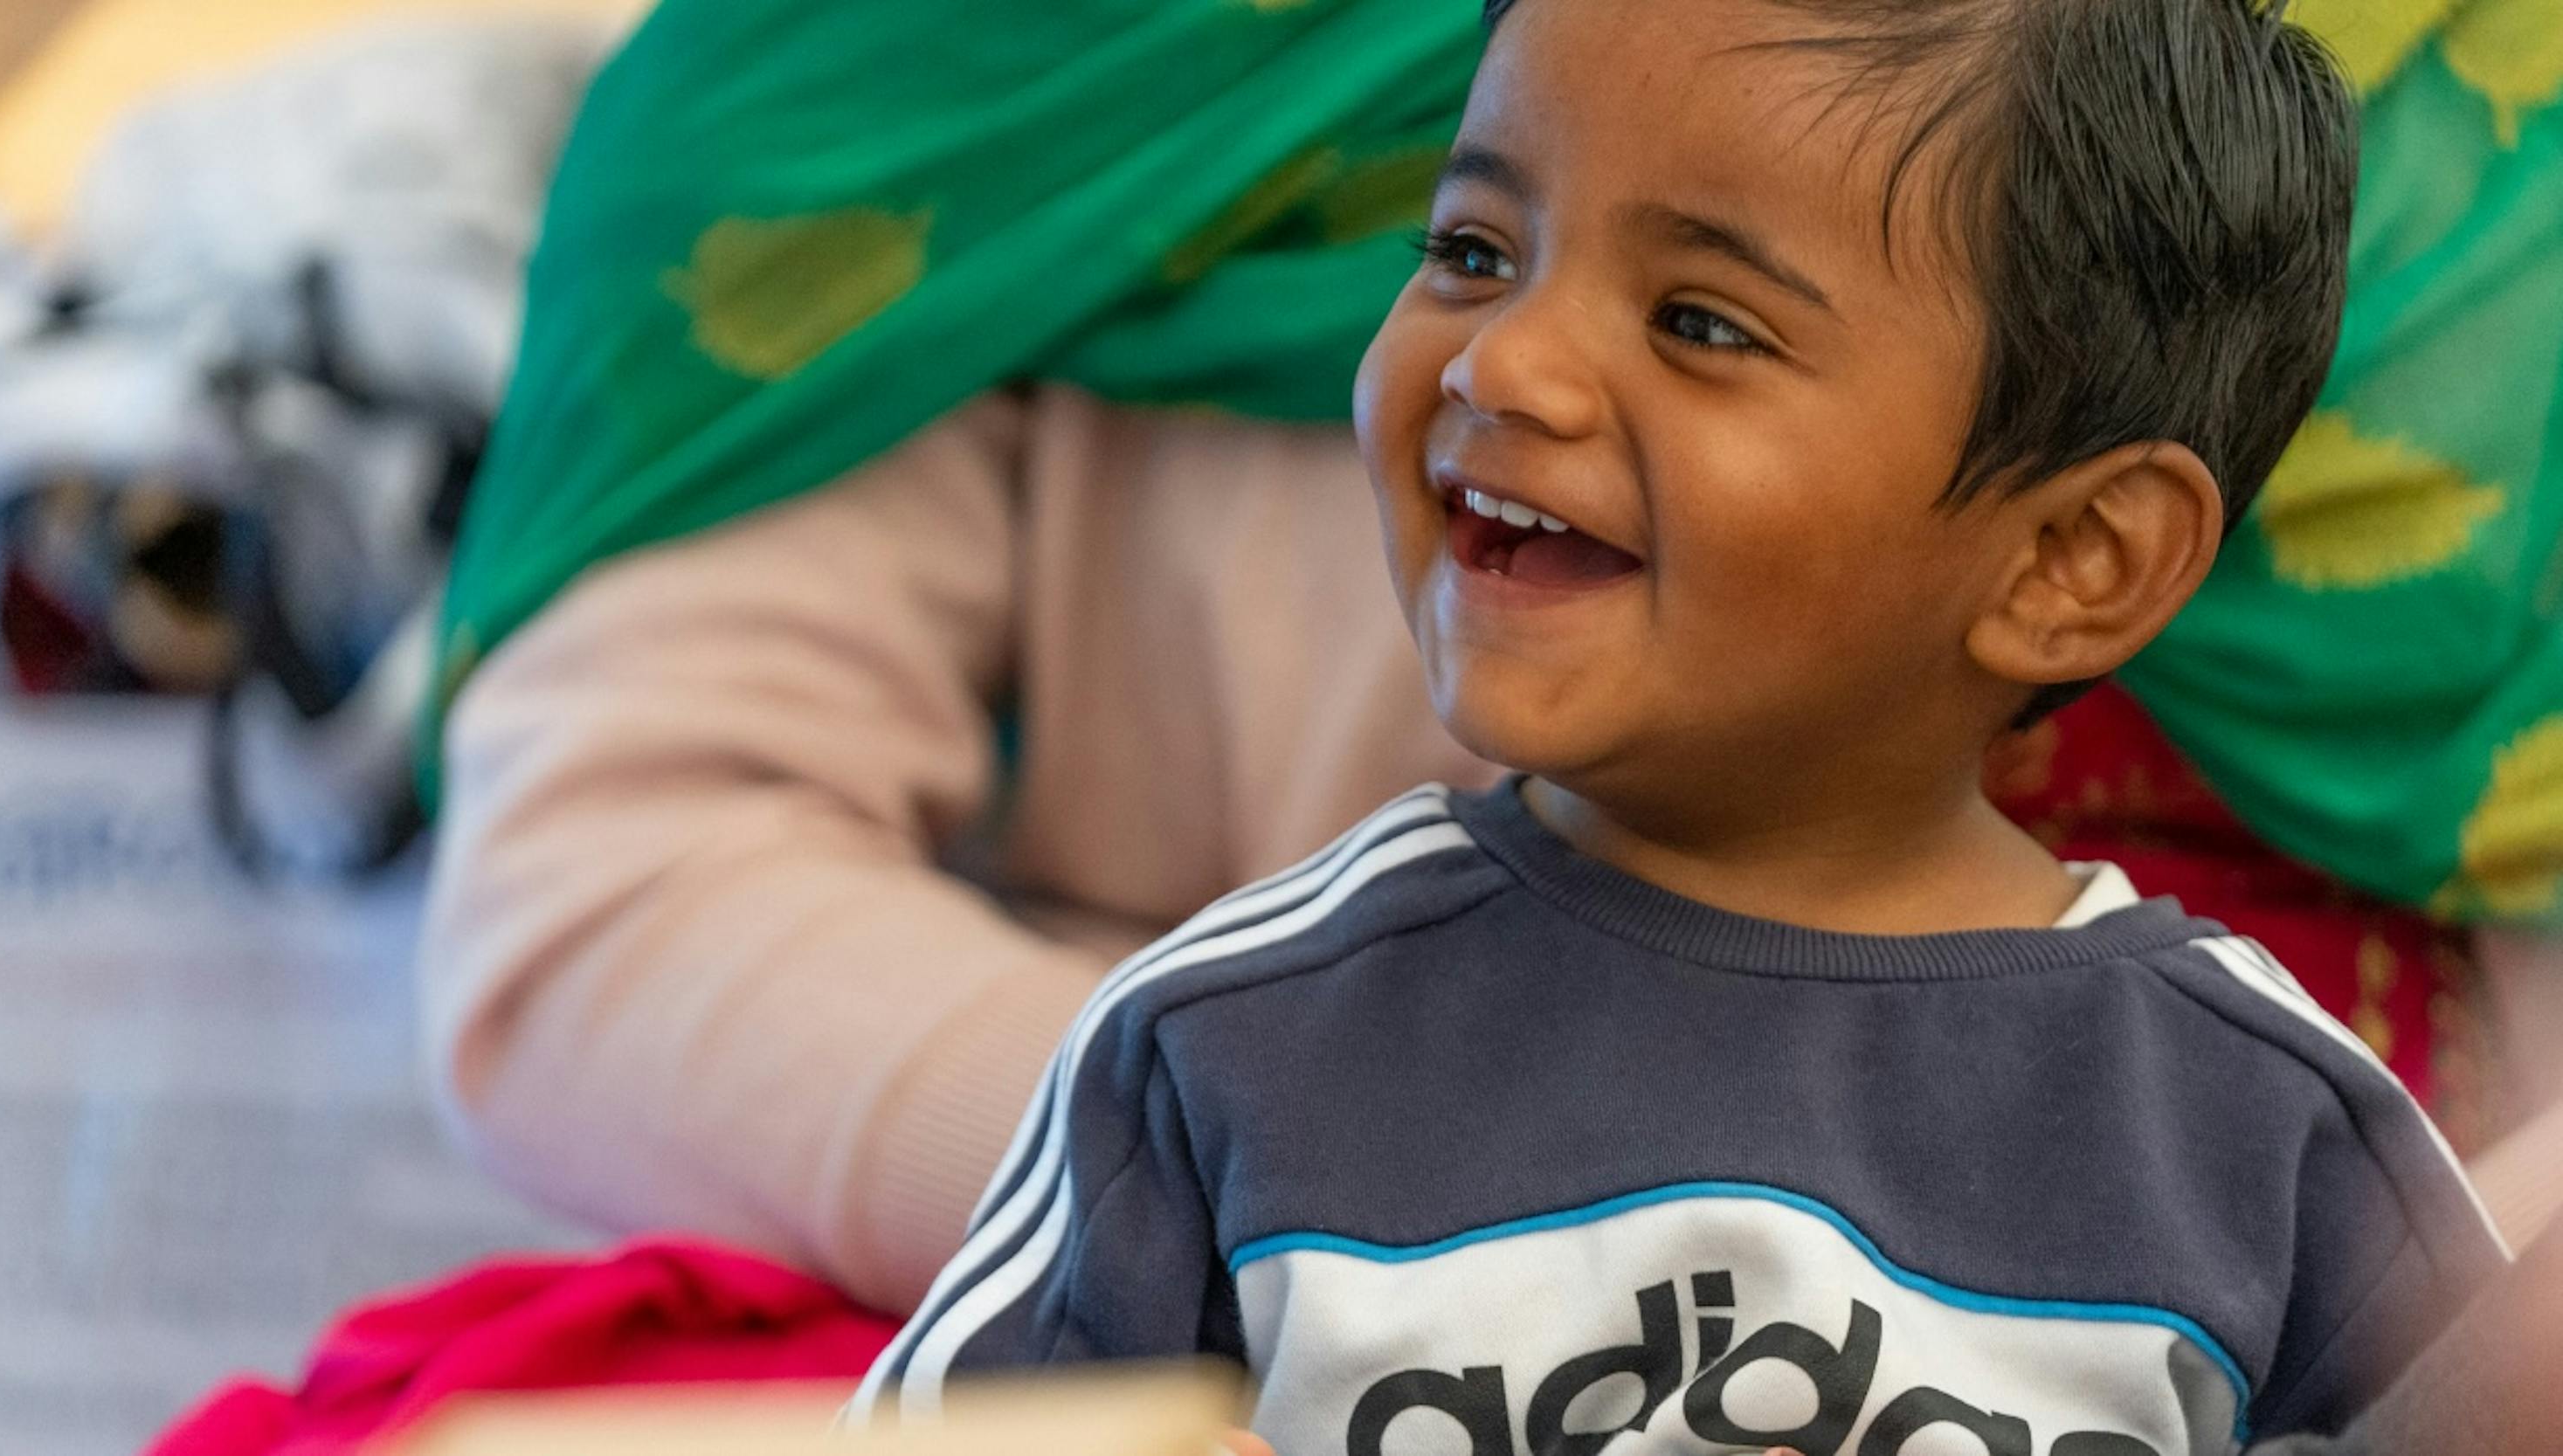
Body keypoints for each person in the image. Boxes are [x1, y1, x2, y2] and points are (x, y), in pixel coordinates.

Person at [846, 1, 2512, 1451]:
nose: (1510, 363)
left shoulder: (2269, 1132)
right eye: (1473, 251)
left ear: (2074, 560)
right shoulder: (1226, 1040)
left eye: (1702, 324)